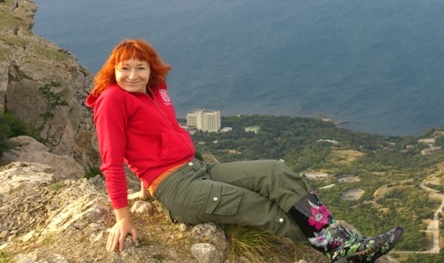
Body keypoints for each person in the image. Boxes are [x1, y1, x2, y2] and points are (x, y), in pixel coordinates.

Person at [86, 39, 402, 262]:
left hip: (197, 169)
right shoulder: (112, 100)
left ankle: (343, 241)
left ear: (149, 69)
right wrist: (123, 218)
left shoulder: (153, 91)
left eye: (140, 67)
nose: (132, 75)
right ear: (113, 70)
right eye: (124, 68)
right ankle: (341, 251)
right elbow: (111, 162)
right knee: (257, 205)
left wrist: (144, 189)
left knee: (274, 171)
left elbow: (146, 141)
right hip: (177, 187)